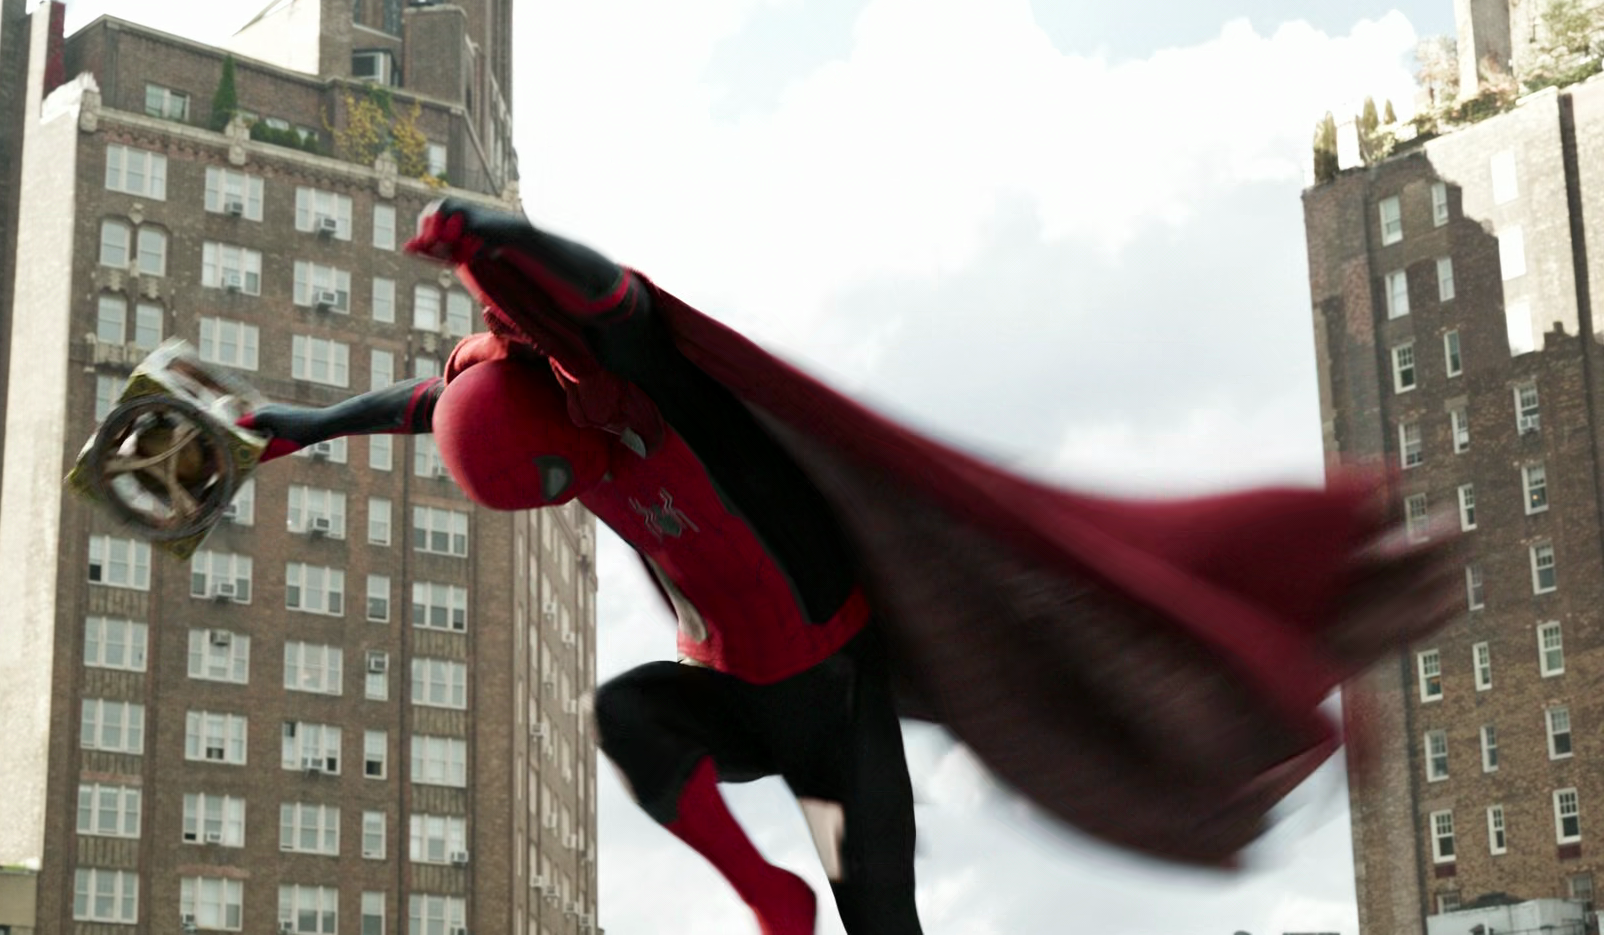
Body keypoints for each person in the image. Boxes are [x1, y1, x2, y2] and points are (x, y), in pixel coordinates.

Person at [239, 202, 1460, 935]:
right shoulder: (522, 424)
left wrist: (495, 238)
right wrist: (299, 426)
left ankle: (809, 892)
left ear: (559, 415)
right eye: (549, 491)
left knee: (879, 913)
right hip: (729, 694)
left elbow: (607, 292)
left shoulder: (644, 392)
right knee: (627, 714)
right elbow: (409, 406)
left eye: (561, 475)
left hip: (837, 712)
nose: (577, 491)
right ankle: (767, 896)